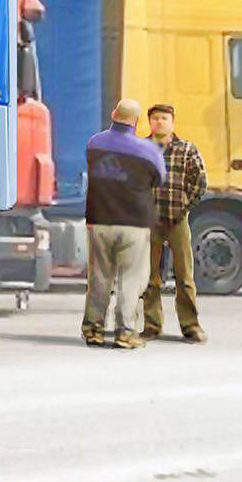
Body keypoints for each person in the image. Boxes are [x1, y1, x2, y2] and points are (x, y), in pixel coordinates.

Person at [83, 98, 166, 348]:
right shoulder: (148, 151)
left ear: (113, 113)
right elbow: (159, 178)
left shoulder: (94, 144)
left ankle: (93, 329)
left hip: (99, 219)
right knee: (131, 279)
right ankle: (125, 332)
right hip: (134, 222)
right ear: (137, 122)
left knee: (99, 277)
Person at [142, 104, 209, 343]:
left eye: (164, 118)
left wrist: (185, 206)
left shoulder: (187, 150)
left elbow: (200, 182)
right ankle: (151, 325)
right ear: (149, 123)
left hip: (178, 220)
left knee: (184, 275)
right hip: (149, 221)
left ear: (173, 122)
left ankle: (190, 325)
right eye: (155, 119)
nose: (160, 122)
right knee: (150, 277)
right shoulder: (141, 150)